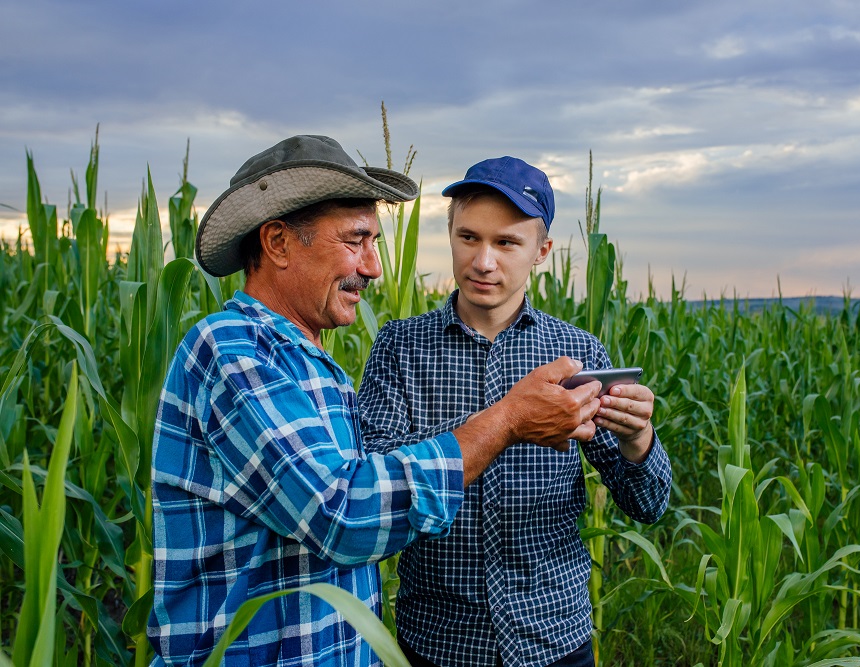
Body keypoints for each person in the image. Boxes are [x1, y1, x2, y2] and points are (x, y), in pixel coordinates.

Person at [148, 136, 603, 667]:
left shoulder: (313, 366)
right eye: (355, 240)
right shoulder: (233, 352)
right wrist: (506, 420)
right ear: (277, 243)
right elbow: (344, 517)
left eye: (374, 242)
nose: (373, 267)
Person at [357, 156, 672, 667]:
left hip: (553, 636)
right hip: (441, 642)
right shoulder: (401, 348)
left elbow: (649, 505)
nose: (484, 261)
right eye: (469, 238)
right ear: (451, 235)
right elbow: (377, 488)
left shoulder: (579, 352)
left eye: (506, 243)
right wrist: (505, 421)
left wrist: (638, 441)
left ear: (541, 251)